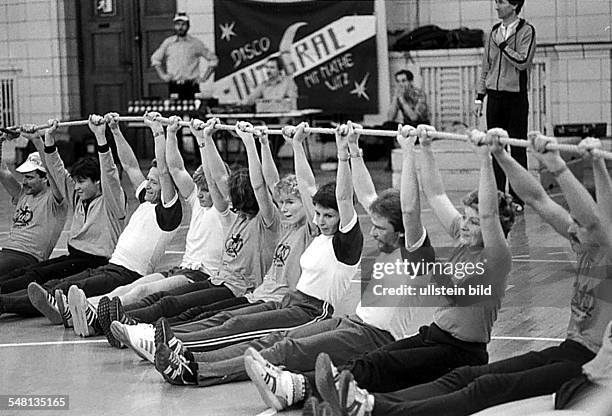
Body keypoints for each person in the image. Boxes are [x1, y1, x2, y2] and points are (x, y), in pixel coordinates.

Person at [311, 129, 612, 416]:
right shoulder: (578, 242)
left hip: (585, 360)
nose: (571, 227)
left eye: (580, 225)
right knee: (400, 366)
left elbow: (493, 214)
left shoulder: (498, 255)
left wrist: (567, 164)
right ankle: (358, 402)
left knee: (484, 386)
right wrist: (491, 154)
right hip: (556, 347)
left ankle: (370, 406)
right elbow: (533, 199)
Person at [109, 117, 282, 361]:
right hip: (220, 280)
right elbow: (215, 179)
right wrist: (204, 140)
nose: (223, 197)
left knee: (195, 312)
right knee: (176, 304)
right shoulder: (235, 216)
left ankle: (145, 332)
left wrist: (253, 144)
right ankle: (131, 324)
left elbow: (261, 186)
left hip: (239, 289)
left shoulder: (265, 221)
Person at [0, 115, 127, 309]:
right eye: (76, 182)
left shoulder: (112, 203)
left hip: (94, 262)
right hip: (73, 256)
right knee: (30, 273)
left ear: (98, 182)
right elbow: (58, 170)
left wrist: (101, 137)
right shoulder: (77, 197)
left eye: (82, 181)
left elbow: (109, 172)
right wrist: (46, 138)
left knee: (42, 281)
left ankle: (3, 303)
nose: (76, 186)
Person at [473, 0, 536, 213]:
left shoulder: (527, 30)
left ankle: (518, 199)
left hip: (515, 98)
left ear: (514, 5)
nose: (497, 6)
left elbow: (523, 61)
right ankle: (500, 198)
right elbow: (486, 66)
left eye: (501, 2)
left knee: (517, 149)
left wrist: (503, 45)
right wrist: (479, 97)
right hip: (495, 98)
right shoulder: (493, 31)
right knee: (495, 149)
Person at [0, 130, 68, 278]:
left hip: (28, 257)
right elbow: (2, 171)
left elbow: (52, 170)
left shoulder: (55, 200)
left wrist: (36, 140)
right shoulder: (22, 193)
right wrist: (0, 141)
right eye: (24, 177)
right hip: (6, 252)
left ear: (45, 179)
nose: (24, 182)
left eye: (30, 177)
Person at [151, 12, 219, 99]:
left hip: (192, 86)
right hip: (174, 85)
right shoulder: (168, 43)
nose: (180, 27)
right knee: (175, 111)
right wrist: (163, 76)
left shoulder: (195, 43)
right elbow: (155, 59)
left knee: (193, 111)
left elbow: (213, 60)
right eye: (178, 24)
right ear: (174, 26)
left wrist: (204, 78)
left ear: (188, 26)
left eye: (183, 24)